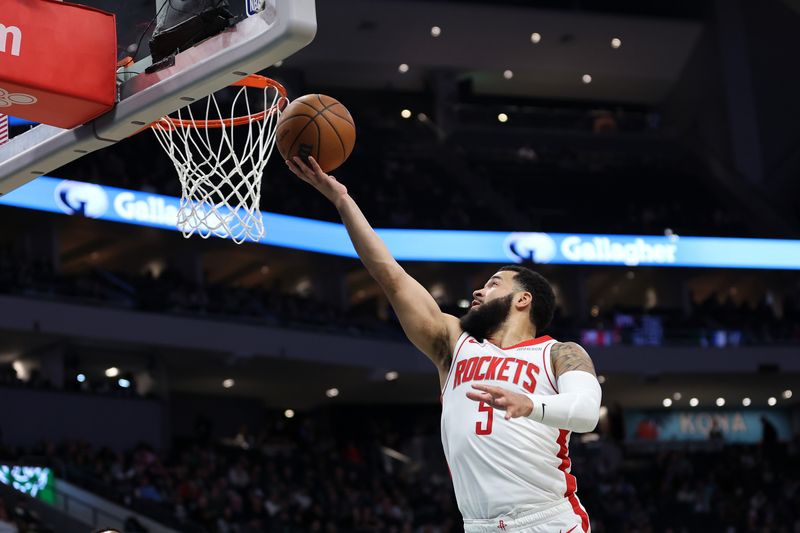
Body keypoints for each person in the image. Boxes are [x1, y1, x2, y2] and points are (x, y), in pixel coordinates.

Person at [286, 157, 602, 533]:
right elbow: (392, 276)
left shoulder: (559, 353)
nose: (479, 290)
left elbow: (585, 413)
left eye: (495, 283)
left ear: (523, 300)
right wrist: (342, 201)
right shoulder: (454, 343)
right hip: (479, 525)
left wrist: (529, 404)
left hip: (548, 521)